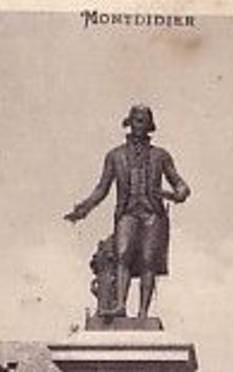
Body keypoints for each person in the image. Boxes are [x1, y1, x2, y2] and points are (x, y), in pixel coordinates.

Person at [65, 105, 190, 319]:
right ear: (129, 123)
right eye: (136, 120)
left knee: (148, 260)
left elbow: (181, 186)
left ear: (150, 126)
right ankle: (120, 306)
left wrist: (172, 194)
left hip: (153, 215)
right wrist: (83, 208)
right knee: (122, 254)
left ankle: (143, 313)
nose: (139, 125)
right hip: (128, 213)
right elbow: (102, 188)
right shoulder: (115, 156)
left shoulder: (161, 156)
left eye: (144, 121)